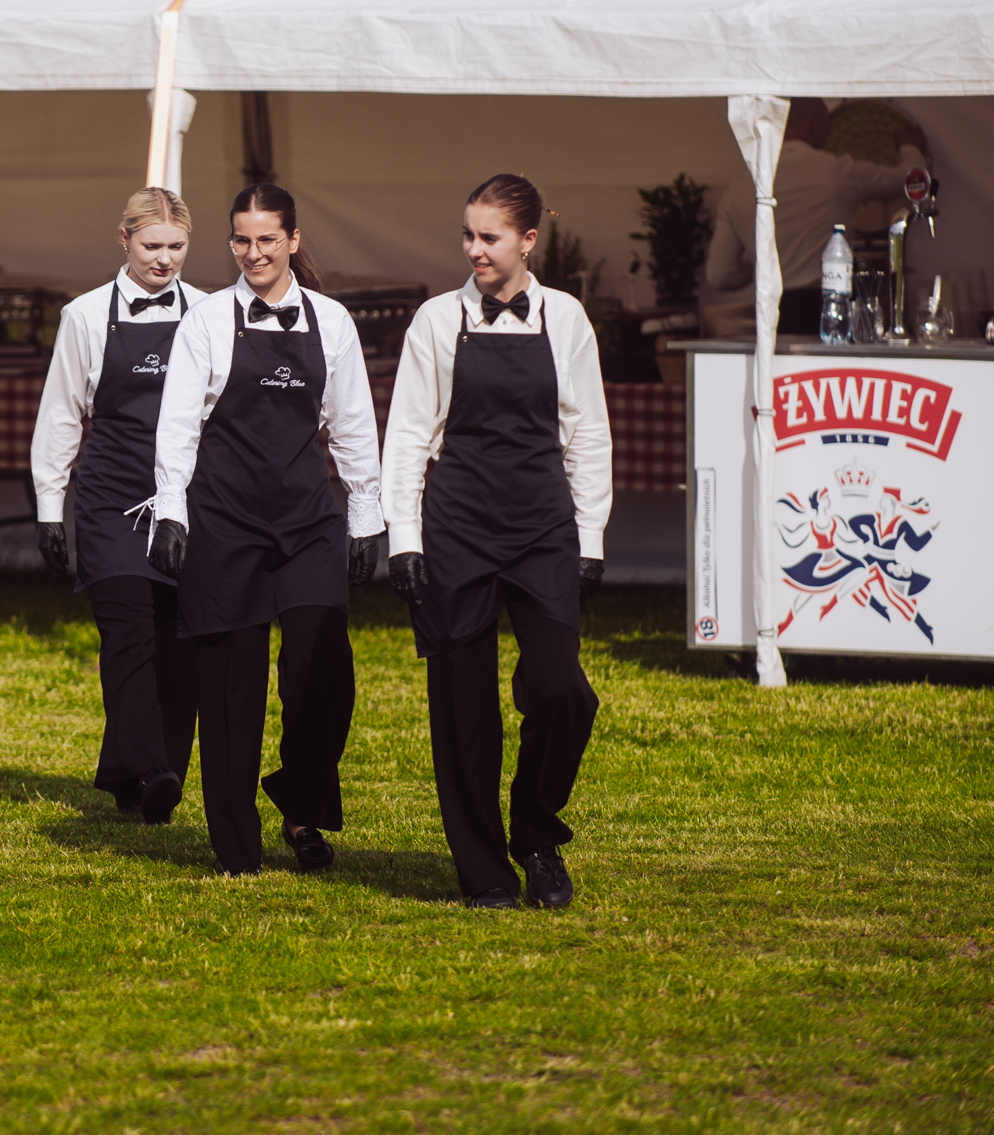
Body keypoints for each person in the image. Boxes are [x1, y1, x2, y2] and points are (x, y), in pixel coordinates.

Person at [382, 174, 612, 911]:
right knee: (463, 708)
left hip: (543, 526)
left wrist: (590, 536)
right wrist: (405, 538)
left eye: (490, 237)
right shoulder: (436, 320)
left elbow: (588, 432)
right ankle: (482, 870)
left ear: (528, 240)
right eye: (468, 235)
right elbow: (408, 435)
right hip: (457, 527)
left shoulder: (566, 318)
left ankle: (536, 836)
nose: (474, 250)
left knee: (562, 689)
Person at [148, 184, 384, 876]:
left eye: (267, 240)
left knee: (323, 669)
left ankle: (303, 805)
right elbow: (177, 422)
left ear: (293, 240)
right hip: (223, 520)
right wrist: (170, 509)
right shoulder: (206, 321)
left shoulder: (332, 321)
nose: (254, 253)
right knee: (231, 689)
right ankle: (235, 844)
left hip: (307, 520)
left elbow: (352, 422)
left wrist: (366, 516)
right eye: (242, 241)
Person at [30, 187, 204, 822]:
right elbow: (61, 414)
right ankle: (152, 768)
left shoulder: (208, 313)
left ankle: (147, 778)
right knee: (127, 633)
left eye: (176, 247)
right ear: (124, 239)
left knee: (177, 641)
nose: (164, 259)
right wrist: (50, 506)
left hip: (186, 497)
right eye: (152, 245)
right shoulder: (83, 316)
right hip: (111, 497)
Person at [704, 98, 929, 334]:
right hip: (834, 308)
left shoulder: (738, 188)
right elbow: (912, 181)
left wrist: (762, 261)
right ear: (814, 124)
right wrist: (910, 147)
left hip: (773, 315)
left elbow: (720, 275)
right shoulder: (837, 173)